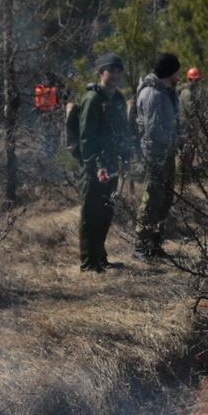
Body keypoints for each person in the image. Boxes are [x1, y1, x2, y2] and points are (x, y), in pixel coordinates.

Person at [73, 54, 132, 272]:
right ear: (101, 73)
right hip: (94, 167)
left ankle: (100, 257)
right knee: (91, 213)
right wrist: (95, 166)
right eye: (111, 70)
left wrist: (126, 158)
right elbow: (86, 137)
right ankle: (89, 262)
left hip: (112, 163)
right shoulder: (92, 99)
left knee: (106, 212)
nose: (116, 75)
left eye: (119, 70)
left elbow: (123, 131)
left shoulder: (117, 98)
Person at [134, 53, 185, 261]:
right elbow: (154, 130)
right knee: (152, 198)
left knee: (164, 198)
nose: (180, 74)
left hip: (166, 153)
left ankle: (154, 244)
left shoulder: (166, 91)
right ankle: (140, 245)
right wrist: (177, 141)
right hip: (155, 155)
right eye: (177, 70)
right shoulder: (153, 94)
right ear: (170, 72)